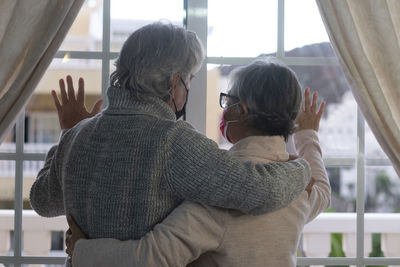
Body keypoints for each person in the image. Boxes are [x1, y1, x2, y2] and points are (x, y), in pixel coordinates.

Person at [29, 22, 310, 263]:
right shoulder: (174, 142)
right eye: (189, 79)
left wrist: (68, 131)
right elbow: (261, 191)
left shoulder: (79, 134)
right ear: (175, 83)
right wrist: (302, 169)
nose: (188, 88)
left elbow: (42, 201)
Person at [67, 60, 331, 267]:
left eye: (229, 101)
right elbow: (322, 190)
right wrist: (308, 135)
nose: (225, 109)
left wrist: (82, 251)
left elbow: (151, 257)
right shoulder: (300, 187)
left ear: (243, 112)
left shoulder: (218, 194)